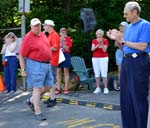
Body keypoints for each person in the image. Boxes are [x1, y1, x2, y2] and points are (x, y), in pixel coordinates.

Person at [106, 2, 150, 128]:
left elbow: (143, 46)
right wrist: (117, 39)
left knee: (138, 98)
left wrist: (123, 40)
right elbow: (125, 47)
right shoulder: (129, 27)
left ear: (135, 12)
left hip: (139, 63)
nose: (124, 16)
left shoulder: (145, 25)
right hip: (126, 62)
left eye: (126, 13)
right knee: (126, 99)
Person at [19, 18, 54, 121]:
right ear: (31, 27)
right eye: (35, 26)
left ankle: (31, 100)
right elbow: (21, 55)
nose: (37, 27)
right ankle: (38, 112)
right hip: (35, 65)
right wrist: (23, 69)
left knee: (49, 86)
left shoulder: (42, 34)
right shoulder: (28, 38)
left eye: (38, 25)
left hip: (46, 65)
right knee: (37, 88)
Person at [42, 19, 60, 106]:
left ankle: (53, 99)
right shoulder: (50, 35)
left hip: (53, 61)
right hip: (49, 61)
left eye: (44, 25)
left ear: (49, 26)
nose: (43, 27)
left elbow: (55, 48)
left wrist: (45, 48)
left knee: (51, 80)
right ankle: (51, 97)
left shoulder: (54, 35)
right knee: (50, 80)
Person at [91, 29, 109, 94]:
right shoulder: (94, 41)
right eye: (98, 34)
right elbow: (92, 49)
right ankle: (98, 88)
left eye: (100, 34)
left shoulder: (105, 40)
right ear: (96, 35)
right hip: (95, 58)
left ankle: (106, 88)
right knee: (97, 73)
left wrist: (102, 43)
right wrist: (98, 45)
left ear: (102, 35)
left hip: (103, 58)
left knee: (104, 73)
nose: (99, 35)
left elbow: (104, 50)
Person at [56, 28, 72, 94]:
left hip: (66, 54)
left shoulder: (68, 39)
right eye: (62, 31)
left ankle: (66, 88)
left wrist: (63, 42)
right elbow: (56, 47)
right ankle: (58, 88)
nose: (63, 32)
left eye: (64, 31)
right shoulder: (57, 38)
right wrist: (60, 41)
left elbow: (67, 48)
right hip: (59, 55)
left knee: (66, 71)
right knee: (58, 71)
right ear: (60, 32)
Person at [114, 21, 128, 90]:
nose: (120, 27)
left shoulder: (128, 34)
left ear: (126, 27)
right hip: (119, 53)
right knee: (120, 70)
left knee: (127, 69)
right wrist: (117, 39)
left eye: (122, 26)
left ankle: (128, 84)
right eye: (120, 26)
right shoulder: (118, 33)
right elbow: (115, 44)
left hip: (127, 52)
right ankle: (121, 84)